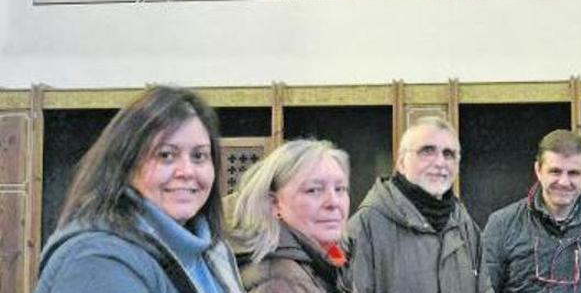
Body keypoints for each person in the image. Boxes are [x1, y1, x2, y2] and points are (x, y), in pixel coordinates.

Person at [34, 86, 244, 293]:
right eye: (166, 155)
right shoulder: (97, 261)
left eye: (199, 156)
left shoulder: (209, 252)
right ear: (126, 164)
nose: (187, 171)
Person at [482, 129, 581, 292]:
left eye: (573, 173)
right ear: (538, 170)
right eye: (555, 171)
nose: (564, 182)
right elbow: (484, 288)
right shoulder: (502, 224)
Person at [346, 117, 491, 292]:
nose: (440, 163)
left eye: (449, 154)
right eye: (427, 151)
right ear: (401, 163)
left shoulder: (465, 227)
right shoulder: (366, 227)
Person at [229, 140, 352, 292]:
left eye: (340, 189)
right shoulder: (278, 283)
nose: (333, 202)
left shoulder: (330, 261)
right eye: (313, 190)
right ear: (274, 203)